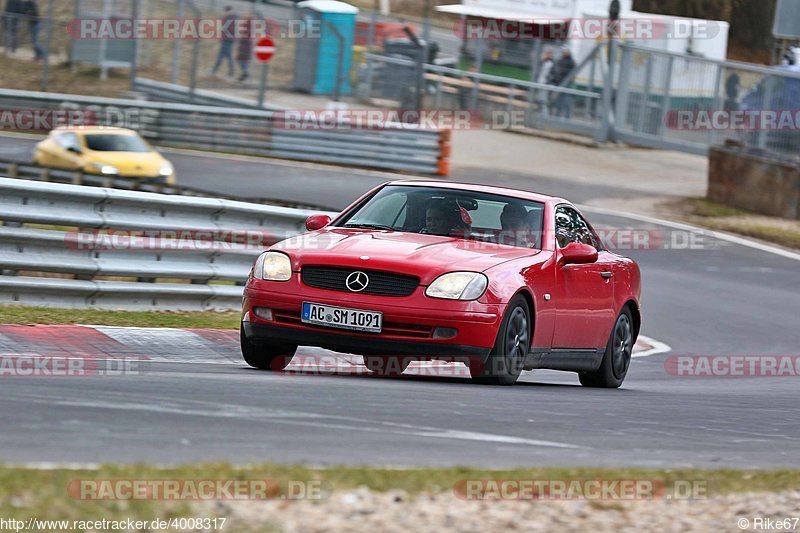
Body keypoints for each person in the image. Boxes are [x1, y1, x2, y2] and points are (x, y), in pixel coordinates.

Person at [210, 6, 237, 78]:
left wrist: (224, 29)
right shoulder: (229, 18)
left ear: (228, 11)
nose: (224, 13)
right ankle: (231, 72)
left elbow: (230, 30)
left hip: (228, 40)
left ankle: (214, 70)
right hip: (226, 39)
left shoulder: (232, 19)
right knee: (228, 56)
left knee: (221, 56)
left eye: (225, 12)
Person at [550, 46, 576, 118]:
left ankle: (567, 117)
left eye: (565, 51)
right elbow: (556, 71)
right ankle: (557, 116)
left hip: (567, 84)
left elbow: (571, 73)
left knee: (566, 101)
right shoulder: (560, 60)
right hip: (559, 83)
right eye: (563, 51)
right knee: (558, 101)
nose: (564, 53)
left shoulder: (571, 62)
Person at [236, 13, 254, 82]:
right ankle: (245, 75)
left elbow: (244, 37)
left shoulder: (246, 29)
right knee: (244, 61)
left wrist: (240, 39)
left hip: (244, 48)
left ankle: (246, 74)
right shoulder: (248, 28)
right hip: (245, 47)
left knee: (241, 61)